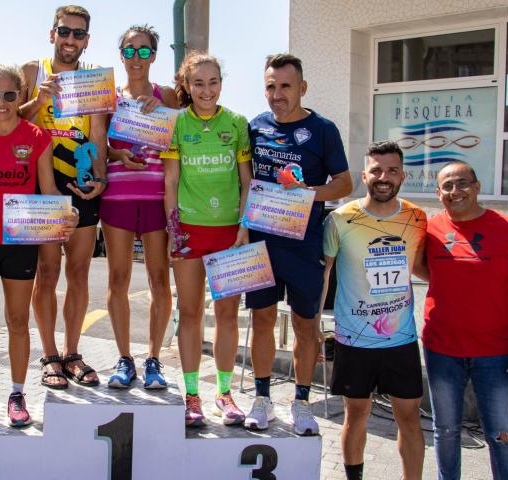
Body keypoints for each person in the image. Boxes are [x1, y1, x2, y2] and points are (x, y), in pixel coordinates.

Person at [0, 65, 78, 428]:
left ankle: (16, 393)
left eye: (10, 95)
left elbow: (49, 190)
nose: (2, 103)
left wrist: (64, 215)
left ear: (20, 95)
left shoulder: (37, 136)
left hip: (20, 242)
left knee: (18, 320)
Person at [244, 53, 352, 435]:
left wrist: (309, 192)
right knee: (262, 320)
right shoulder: (254, 127)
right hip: (262, 242)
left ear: (302, 88)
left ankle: (302, 402)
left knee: (307, 326)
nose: (277, 94)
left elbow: (344, 184)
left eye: (285, 86)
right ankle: (261, 399)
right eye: (271, 86)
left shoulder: (323, 129)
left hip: (305, 246)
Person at [421, 160, 508, 480]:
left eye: (462, 183)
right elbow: (424, 269)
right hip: (441, 350)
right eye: (447, 186)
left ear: (476, 187)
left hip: (496, 354)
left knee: (502, 435)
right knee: (445, 431)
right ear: (438, 193)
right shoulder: (430, 229)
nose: (455, 191)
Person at [322, 141, 426, 480]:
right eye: (377, 170)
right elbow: (324, 276)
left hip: (401, 339)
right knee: (356, 416)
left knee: (409, 418)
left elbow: (424, 267)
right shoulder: (340, 218)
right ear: (364, 175)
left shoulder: (416, 217)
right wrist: (311, 329)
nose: (384, 177)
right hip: (354, 339)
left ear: (402, 175)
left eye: (392, 170)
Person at [20, 5, 108, 389]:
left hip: (82, 184)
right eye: (64, 31)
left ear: (86, 40)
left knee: (78, 273)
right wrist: (39, 101)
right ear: (51, 34)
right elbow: (12, 122)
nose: (70, 39)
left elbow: (100, 136)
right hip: (41, 184)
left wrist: (101, 179)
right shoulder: (31, 72)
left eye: (78, 34)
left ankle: (73, 353)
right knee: (48, 273)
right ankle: (49, 354)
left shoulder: (94, 80)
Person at [163, 52, 252, 427]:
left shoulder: (237, 122)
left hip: (229, 233)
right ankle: (192, 396)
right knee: (191, 313)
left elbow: (247, 181)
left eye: (213, 81)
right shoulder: (176, 124)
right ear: (186, 85)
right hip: (189, 232)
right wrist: (173, 228)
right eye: (198, 83)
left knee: (227, 314)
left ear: (221, 82)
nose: (206, 89)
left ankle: (225, 393)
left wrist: (244, 227)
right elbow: (169, 181)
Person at [102, 24, 179, 390]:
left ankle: (153, 360)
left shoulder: (168, 96)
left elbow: (182, 144)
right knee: (117, 279)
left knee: (159, 280)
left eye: (144, 50)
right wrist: (118, 153)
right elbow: (97, 146)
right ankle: (124, 359)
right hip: (116, 196)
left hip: (155, 199)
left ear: (154, 55)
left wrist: (164, 111)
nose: (136, 57)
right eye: (129, 50)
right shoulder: (108, 96)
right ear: (121, 55)